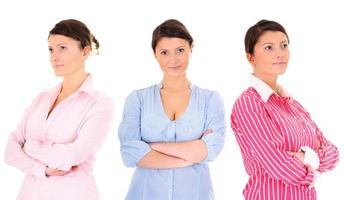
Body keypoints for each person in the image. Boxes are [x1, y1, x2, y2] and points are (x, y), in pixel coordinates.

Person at [4, 19, 114, 200]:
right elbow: (10, 151)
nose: (54, 56)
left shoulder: (100, 103)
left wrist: (30, 147)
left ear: (85, 51)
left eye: (62, 48)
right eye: (51, 49)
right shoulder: (42, 98)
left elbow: (71, 157)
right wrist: (43, 169)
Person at [230, 19, 339, 200]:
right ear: (251, 57)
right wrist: (314, 174)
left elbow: (333, 153)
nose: (280, 53)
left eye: (284, 45)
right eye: (269, 47)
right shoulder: (249, 103)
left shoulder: (293, 104)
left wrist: (304, 158)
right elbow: (279, 166)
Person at [118, 19, 226, 200]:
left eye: (180, 50)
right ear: (155, 54)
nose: (173, 59)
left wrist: (152, 147)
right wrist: (190, 157)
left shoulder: (210, 99)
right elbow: (130, 153)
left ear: (191, 48)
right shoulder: (138, 99)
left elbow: (211, 149)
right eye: (164, 52)